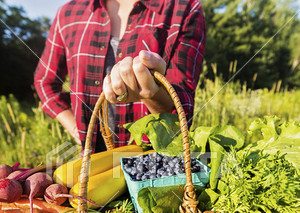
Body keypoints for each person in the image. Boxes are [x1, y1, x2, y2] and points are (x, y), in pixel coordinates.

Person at [34, 0, 205, 152]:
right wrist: (77, 131)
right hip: (94, 164)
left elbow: (182, 109)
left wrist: (153, 93)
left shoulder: (183, 8)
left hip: (153, 163)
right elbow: (45, 81)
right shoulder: (69, 13)